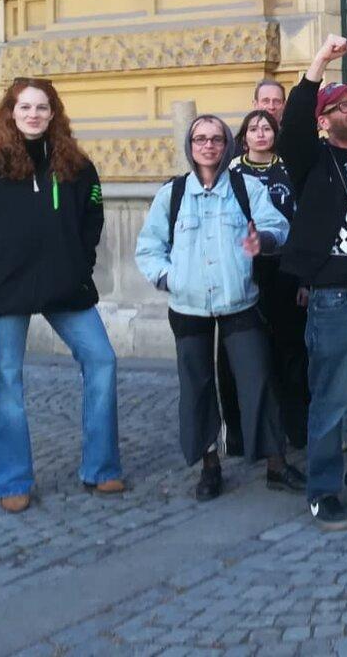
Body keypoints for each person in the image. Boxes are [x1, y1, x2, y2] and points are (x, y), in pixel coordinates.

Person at [0, 78, 122, 513]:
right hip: (2, 290)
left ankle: (102, 468)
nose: (33, 114)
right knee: (8, 381)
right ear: (10, 113)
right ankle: (11, 480)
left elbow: (93, 215)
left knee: (102, 360)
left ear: (53, 114)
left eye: (41, 108)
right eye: (25, 107)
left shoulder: (77, 166)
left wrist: (78, 265)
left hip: (64, 287)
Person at [135, 115, 302, 502]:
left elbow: (278, 226)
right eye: (200, 139)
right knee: (196, 386)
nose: (208, 146)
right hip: (188, 305)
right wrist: (170, 278)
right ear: (190, 146)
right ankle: (209, 466)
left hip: (239, 300)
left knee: (257, 378)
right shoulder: (173, 194)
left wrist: (266, 241)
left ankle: (275, 463)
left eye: (216, 139)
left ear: (228, 144)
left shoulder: (245, 188)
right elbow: (149, 248)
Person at [278, 37, 347, 530]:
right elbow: (293, 122)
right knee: (333, 395)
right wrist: (320, 62)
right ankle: (323, 489)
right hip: (334, 298)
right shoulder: (311, 159)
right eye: (345, 105)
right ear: (324, 120)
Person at [232, 109, 307, 449]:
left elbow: (304, 219)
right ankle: (245, 432)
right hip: (243, 271)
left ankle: (295, 427)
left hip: (286, 269)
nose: (260, 133)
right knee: (247, 354)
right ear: (244, 136)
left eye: (266, 127)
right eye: (253, 128)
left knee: (291, 352)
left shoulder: (290, 167)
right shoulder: (231, 171)